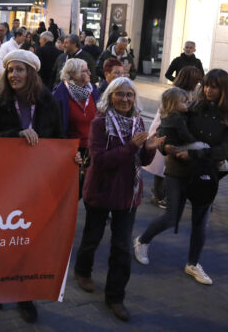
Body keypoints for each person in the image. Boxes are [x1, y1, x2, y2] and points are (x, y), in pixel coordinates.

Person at [134, 69, 228, 286]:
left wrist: (197, 153)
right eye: (206, 85)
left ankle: (193, 263)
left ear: (224, 89)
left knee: (201, 222)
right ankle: (142, 241)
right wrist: (167, 148)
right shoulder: (190, 106)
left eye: (214, 86)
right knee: (171, 216)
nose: (208, 90)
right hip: (178, 169)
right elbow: (168, 130)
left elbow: (225, 148)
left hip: (205, 173)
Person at [0, 49, 66, 323]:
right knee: (0, 237)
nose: (14, 75)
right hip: (4, 182)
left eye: (19, 70)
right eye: (10, 70)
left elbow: (58, 138)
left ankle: (24, 295)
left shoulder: (48, 101)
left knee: (28, 238)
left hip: (36, 182)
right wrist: (15, 136)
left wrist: (72, 156)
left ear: (32, 73)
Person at [73, 77, 161, 322]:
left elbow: (141, 161)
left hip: (127, 193)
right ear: (110, 96)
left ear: (135, 98)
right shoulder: (100, 122)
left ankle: (115, 297)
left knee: (122, 247)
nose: (125, 99)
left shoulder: (137, 121)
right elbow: (99, 161)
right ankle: (82, 271)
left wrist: (150, 148)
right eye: (119, 94)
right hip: (100, 189)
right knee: (92, 236)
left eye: (129, 95)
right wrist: (133, 147)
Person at [145, 66, 204, 208]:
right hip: (166, 129)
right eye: (196, 80)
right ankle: (158, 195)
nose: (198, 84)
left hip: (171, 130)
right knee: (161, 166)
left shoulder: (190, 93)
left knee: (165, 166)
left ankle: (162, 194)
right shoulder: (175, 93)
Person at [52, 59, 100, 198]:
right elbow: (56, 127)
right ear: (72, 74)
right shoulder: (59, 95)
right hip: (71, 152)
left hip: (91, 149)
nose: (89, 73)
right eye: (84, 71)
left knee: (89, 190)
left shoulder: (92, 91)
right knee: (70, 193)